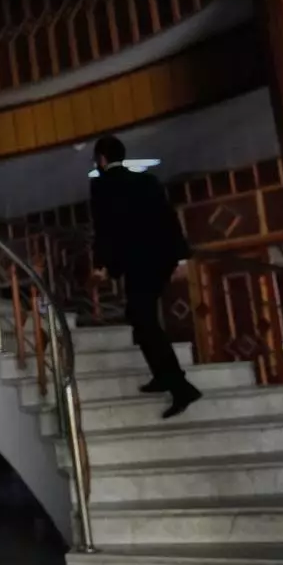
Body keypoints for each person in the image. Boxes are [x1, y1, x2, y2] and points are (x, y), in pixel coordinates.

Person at [89, 135, 202, 419]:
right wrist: (181, 257)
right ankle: (163, 376)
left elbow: (105, 229)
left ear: (101, 159)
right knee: (141, 317)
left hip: (137, 263)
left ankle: (180, 387)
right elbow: (169, 218)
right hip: (160, 260)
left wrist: (101, 264)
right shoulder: (147, 181)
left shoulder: (101, 185)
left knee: (144, 320)